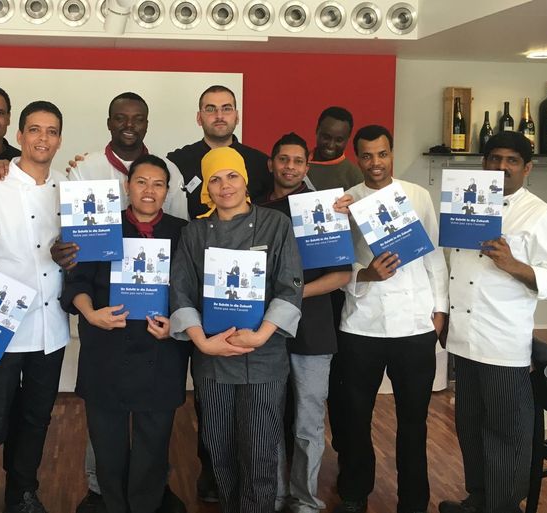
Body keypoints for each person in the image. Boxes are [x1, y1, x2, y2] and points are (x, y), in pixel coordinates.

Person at [170, 146, 303, 513]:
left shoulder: (276, 225)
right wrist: (202, 343)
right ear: (206, 188)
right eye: (214, 179)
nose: (224, 185)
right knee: (220, 450)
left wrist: (260, 335)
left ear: (245, 180)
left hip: (264, 357)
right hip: (212, 358)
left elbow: (290, 286)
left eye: (232, 176)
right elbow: (180, 291)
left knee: (260, 452)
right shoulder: (195, 232)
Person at [440, 131, 547, 513]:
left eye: (512, 160)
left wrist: (513, 265)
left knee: (506, 433)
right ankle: (478, 499)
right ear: (484, 163)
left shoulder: (541, 215)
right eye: (495, 158)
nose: (501, 166)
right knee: (469, 427)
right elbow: (455, 266)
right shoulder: (464, 202)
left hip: (502, 341)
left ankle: (503, 507)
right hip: (463, 339)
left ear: (527, 168)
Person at [61, 154, 191, 513]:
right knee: (107, 442)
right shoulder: (102, 227)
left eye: (158, 184)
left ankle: (146, 505)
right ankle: (115, 504)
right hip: (107, 347)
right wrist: (91, 314)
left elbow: (193, 292)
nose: (149, 191)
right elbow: (77, 282)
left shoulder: (185, 232)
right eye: (141, 182)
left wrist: (177, 324)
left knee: (154, 440)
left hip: (162, 351)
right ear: (126, 186)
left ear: (167, 191)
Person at [0, 100, 71, 513]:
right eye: (35, 130)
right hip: (2, 324)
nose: (43, 138)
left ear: (59, 139)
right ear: (20, 135)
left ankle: (22, 493)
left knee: (37, 418)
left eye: (52, 131)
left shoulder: (67, 187)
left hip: (51, 325)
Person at [335, 125, 448, 513]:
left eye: (382, 154)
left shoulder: (417, 195)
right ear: (358, 158)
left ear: (392, 154)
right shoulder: (346, 202)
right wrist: (365, 274)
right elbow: (336, 263)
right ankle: (354, 494)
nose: (375, 163)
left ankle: (413, 502)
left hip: (413, 326)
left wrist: (440, 311)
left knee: (414, 423)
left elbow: (433, 255)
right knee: (355, 418)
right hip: (361, 325)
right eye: (367, 156)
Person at [258, 131, 352, 513]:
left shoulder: (324, 209)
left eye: (298, 161)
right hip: (267, 331)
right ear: (271, 163)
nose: (290, 167)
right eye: (283, 159)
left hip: (313, 330)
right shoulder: (255, 209)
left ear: (307, 166)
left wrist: (293, 295)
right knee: (270, 418)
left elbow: (341, 275)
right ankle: (276, 494)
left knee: (308, 421)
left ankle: (305, 500)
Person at [69, 92, 188, 220]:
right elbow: (76, 223)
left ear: (146, 125)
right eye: (120, 118)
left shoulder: (169, 170)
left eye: (138, 120)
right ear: (109, 123)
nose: (129, 125)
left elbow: (179, 223)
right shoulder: (84, 169)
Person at [167, 84, 272, 221]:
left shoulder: (260, 163)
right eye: (210, 109)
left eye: (226, 108)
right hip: (190, 234)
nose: (219, 116)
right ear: (199, 118)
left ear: (237, 117)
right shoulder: (177, 162)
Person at [307, 106, 364, 192]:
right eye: (326, 137)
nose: (331, 145)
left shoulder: (355, 177)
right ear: (317, 130)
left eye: (339, 140)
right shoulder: (296, 162)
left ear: (348, 138)